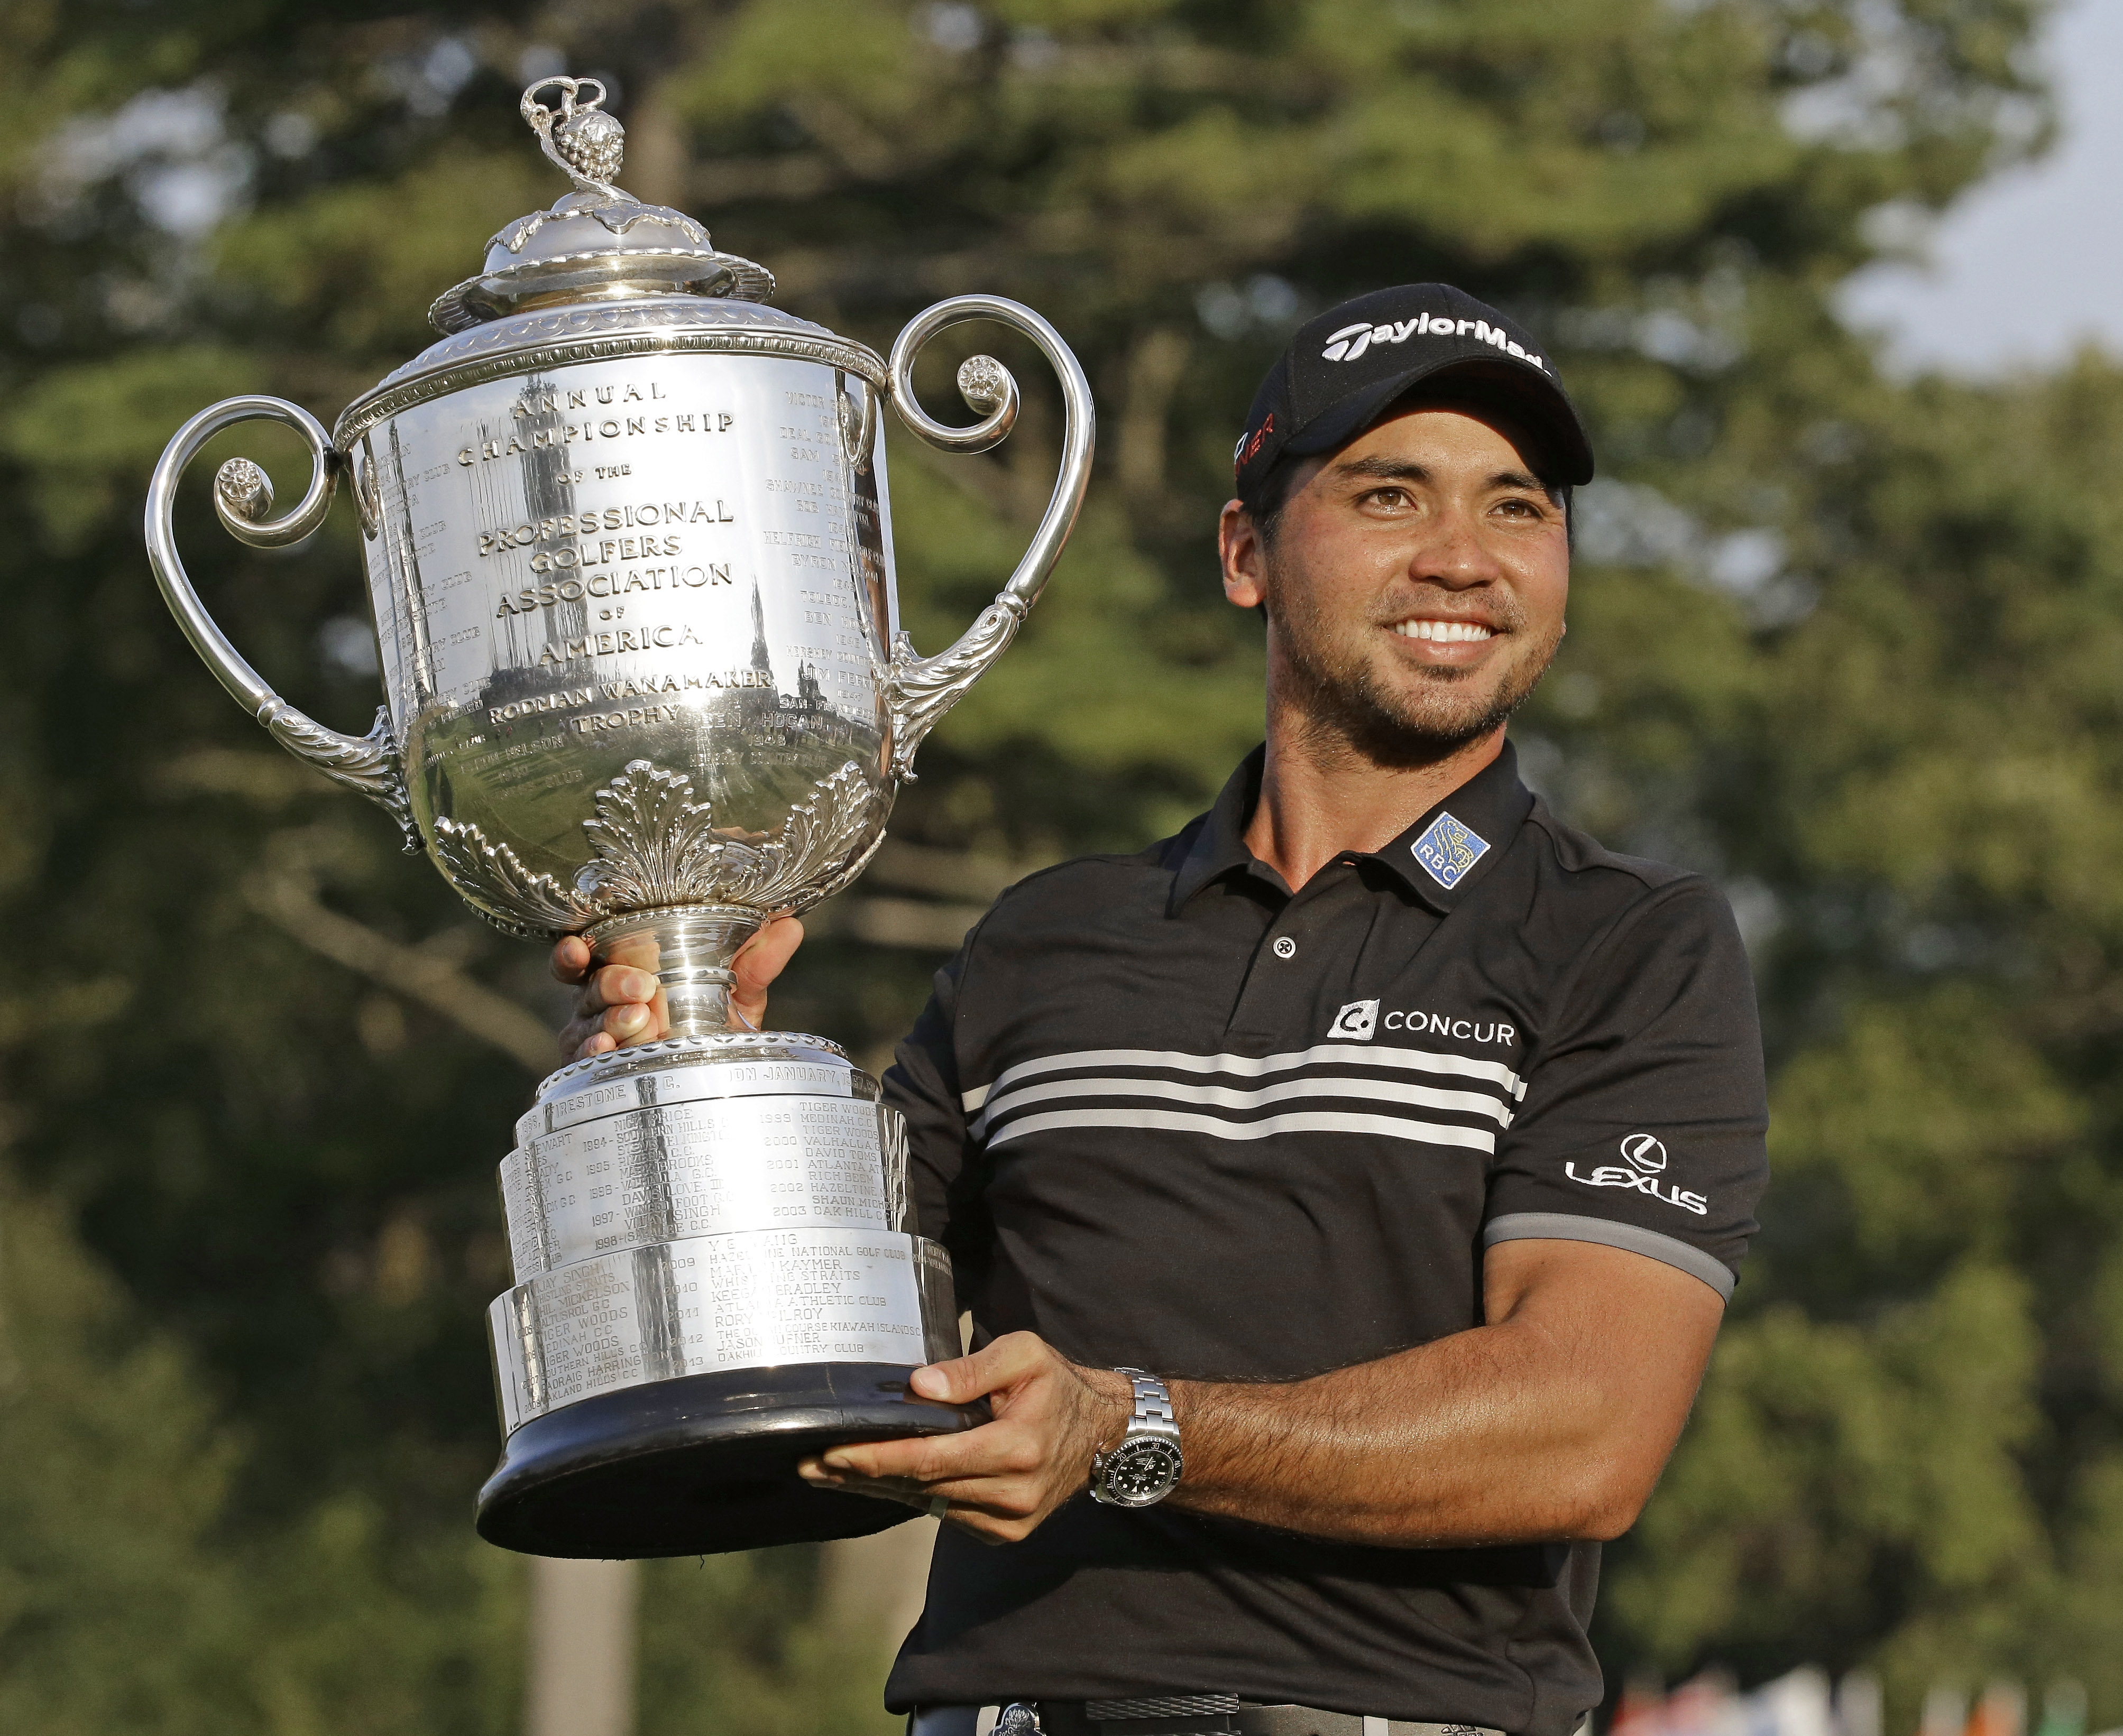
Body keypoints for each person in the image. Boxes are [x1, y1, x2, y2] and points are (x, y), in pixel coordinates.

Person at [552, 284, 1770, 1736]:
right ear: (1246, 552)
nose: (1465, 557)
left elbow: (1584, 1427)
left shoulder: (1629, 941)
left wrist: (1128, 1429)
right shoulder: (1047, 939)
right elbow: (844, 1359)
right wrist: (708, 1081)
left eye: (1520, 509)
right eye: (1391, 494)